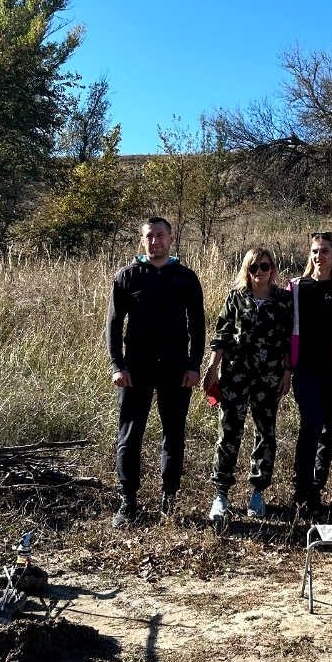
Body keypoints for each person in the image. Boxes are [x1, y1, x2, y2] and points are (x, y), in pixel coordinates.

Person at [106, 217, 205, 527]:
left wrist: (193, 365)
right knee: (129, 436)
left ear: (171, 239)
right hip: (136, 370)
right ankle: (128, 501)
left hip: (176, 370)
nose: (155, 241)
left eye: (160, 235)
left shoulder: (185, 278)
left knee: (173, 437)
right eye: (149, 236)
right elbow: (112, 325)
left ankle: (169, 500)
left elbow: (198, 325)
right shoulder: (128, 276)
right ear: (142, 241)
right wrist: (117, 366)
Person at [202, 246, 293, 523]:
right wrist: (211, 368)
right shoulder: (235, 297)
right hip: (235, 375)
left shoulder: (284, 300)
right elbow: (222, 334)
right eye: (253, 268)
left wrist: (288, 372)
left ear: (272, 268)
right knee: (229, 432)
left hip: (268, 377)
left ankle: (258, 491)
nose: (259, 273)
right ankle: (221, 494)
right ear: (247, 270)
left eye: (264, 267)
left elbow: (289, 337)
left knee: (265, 433)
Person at [286, 231, 332, 514]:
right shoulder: (296, 287)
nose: (319, 256)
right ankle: (300, 488)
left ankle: (315, 488)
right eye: (314, 251)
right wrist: (286, 367)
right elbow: (282, 327)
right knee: (311, 424)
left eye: (325, 250)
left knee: (328, 430)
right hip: (305, 369)